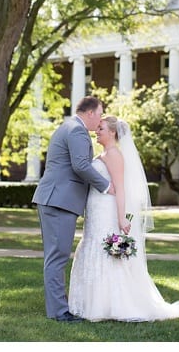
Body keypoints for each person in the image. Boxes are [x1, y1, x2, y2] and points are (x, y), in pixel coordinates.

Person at [68, 116, 179, 324]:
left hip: (107, 211)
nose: (97, 130)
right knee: (93, 246)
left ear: (112, 132)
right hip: (96, 211)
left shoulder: (114, 155)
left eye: (101, 128)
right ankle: (91, 302)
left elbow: (121, 189)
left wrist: (122, 218)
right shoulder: (104, 154)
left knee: (106, 252)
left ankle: (112, 304)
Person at [31, 96, 114, 322]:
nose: (100, 121)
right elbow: (80, 165)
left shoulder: (69, 127)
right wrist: (106, 185)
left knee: (55, 256)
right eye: (99, 114)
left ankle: (58, 306)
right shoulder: (77, 130)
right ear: (89, 113)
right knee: (57, 257)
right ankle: (59, 312)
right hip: (59, 201)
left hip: (56, 199)